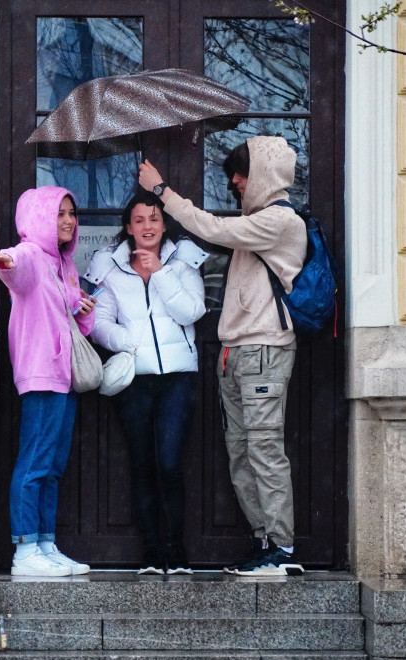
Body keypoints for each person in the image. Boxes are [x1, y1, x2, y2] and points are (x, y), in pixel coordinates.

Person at [138, 136, 307, 576]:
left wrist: (162, 192)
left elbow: (214, 229)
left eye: (242, 172)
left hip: (264, 349)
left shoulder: (279, 222)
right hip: (235, 352)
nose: (234, 181)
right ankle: (263, 540)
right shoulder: (256, 225)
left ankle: (282, 549)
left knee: (264, 449)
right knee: (240, 451)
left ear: (264, 175)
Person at [86, 190, 206, 575]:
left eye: (154, 218)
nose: (147, 226)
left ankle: (178, 550)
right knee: (142, 463)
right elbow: (99, 323)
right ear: (128, 228)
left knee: (169, 463)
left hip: (177, 378)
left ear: (164, 224)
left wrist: (161, 273)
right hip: (134, 381)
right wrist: (129, 343)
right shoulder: (110, 267)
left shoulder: (181, 261)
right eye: (139, 220)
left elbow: (193, 311)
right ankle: (153, 552)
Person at [0, 186, 95, 577]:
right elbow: (16, 266)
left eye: (71, 212)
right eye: (58, 213)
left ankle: (46, 543)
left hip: (63, 377)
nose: (67, 220)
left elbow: (73, 322)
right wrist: (6, 262)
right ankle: (24, 549)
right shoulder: (32, 253)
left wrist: (82, 309)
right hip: (40, 374)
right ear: (39, 219)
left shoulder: (64, 265)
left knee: (52, 465)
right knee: (34, 462)